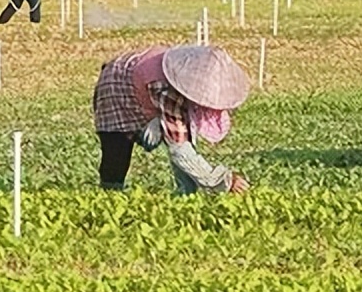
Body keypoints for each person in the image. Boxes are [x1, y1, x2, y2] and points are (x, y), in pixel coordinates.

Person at [92, 45, 251, 194]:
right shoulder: (166, 87)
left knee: (179, 133)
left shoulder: (189, 78)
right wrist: (223, 181)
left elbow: (184, 138)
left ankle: (186, 193)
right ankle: (110, 195)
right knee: (117, 151)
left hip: (146, 87)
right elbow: (180, 150)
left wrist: (188, 193)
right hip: (115, 84)